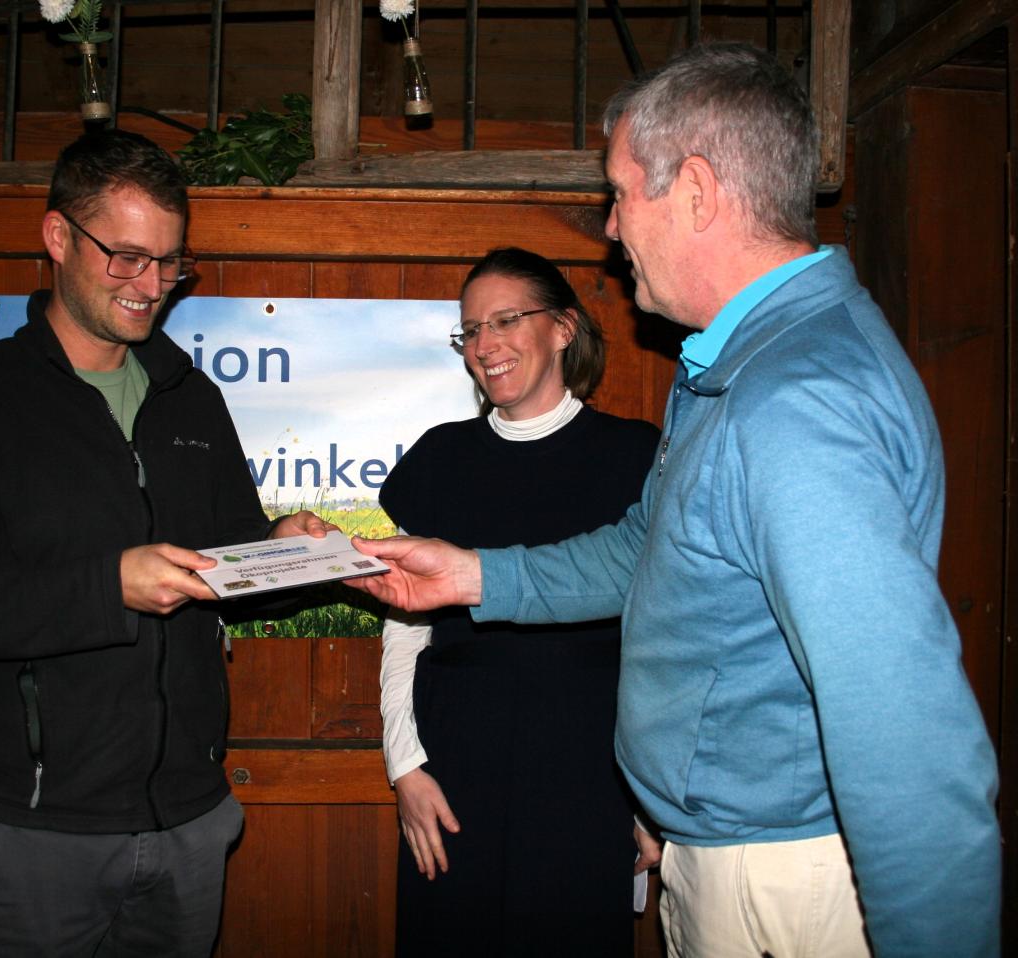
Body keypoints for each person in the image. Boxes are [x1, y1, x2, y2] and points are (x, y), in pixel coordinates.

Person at [350, 42, 1002, 958]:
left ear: (694, 191)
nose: (611, 229)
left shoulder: (797, 401)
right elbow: (637, 551)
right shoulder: (739, 375)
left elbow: (906, 735)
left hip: (780, 882)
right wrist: (467, 575)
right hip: (724, 850)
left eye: (620, 195)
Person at [0, 129, 333, 957]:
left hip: (190, 827)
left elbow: (227, 565)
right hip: (28, 840)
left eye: (169, 262)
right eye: (126, 257)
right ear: (57, 238)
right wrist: (108, 586)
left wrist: (289, 550)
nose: (151, 286)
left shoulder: (190, 398)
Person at [378, 247, 659, 956]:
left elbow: (666, 638)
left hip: (589, 777)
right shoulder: (440, 458)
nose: (485, 346)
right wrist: (405, 767)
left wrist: (652, 799)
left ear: (564, 328)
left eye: (506, 320)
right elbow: (405, 627)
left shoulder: (638, 456)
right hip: (456, 775)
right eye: (470, 330)